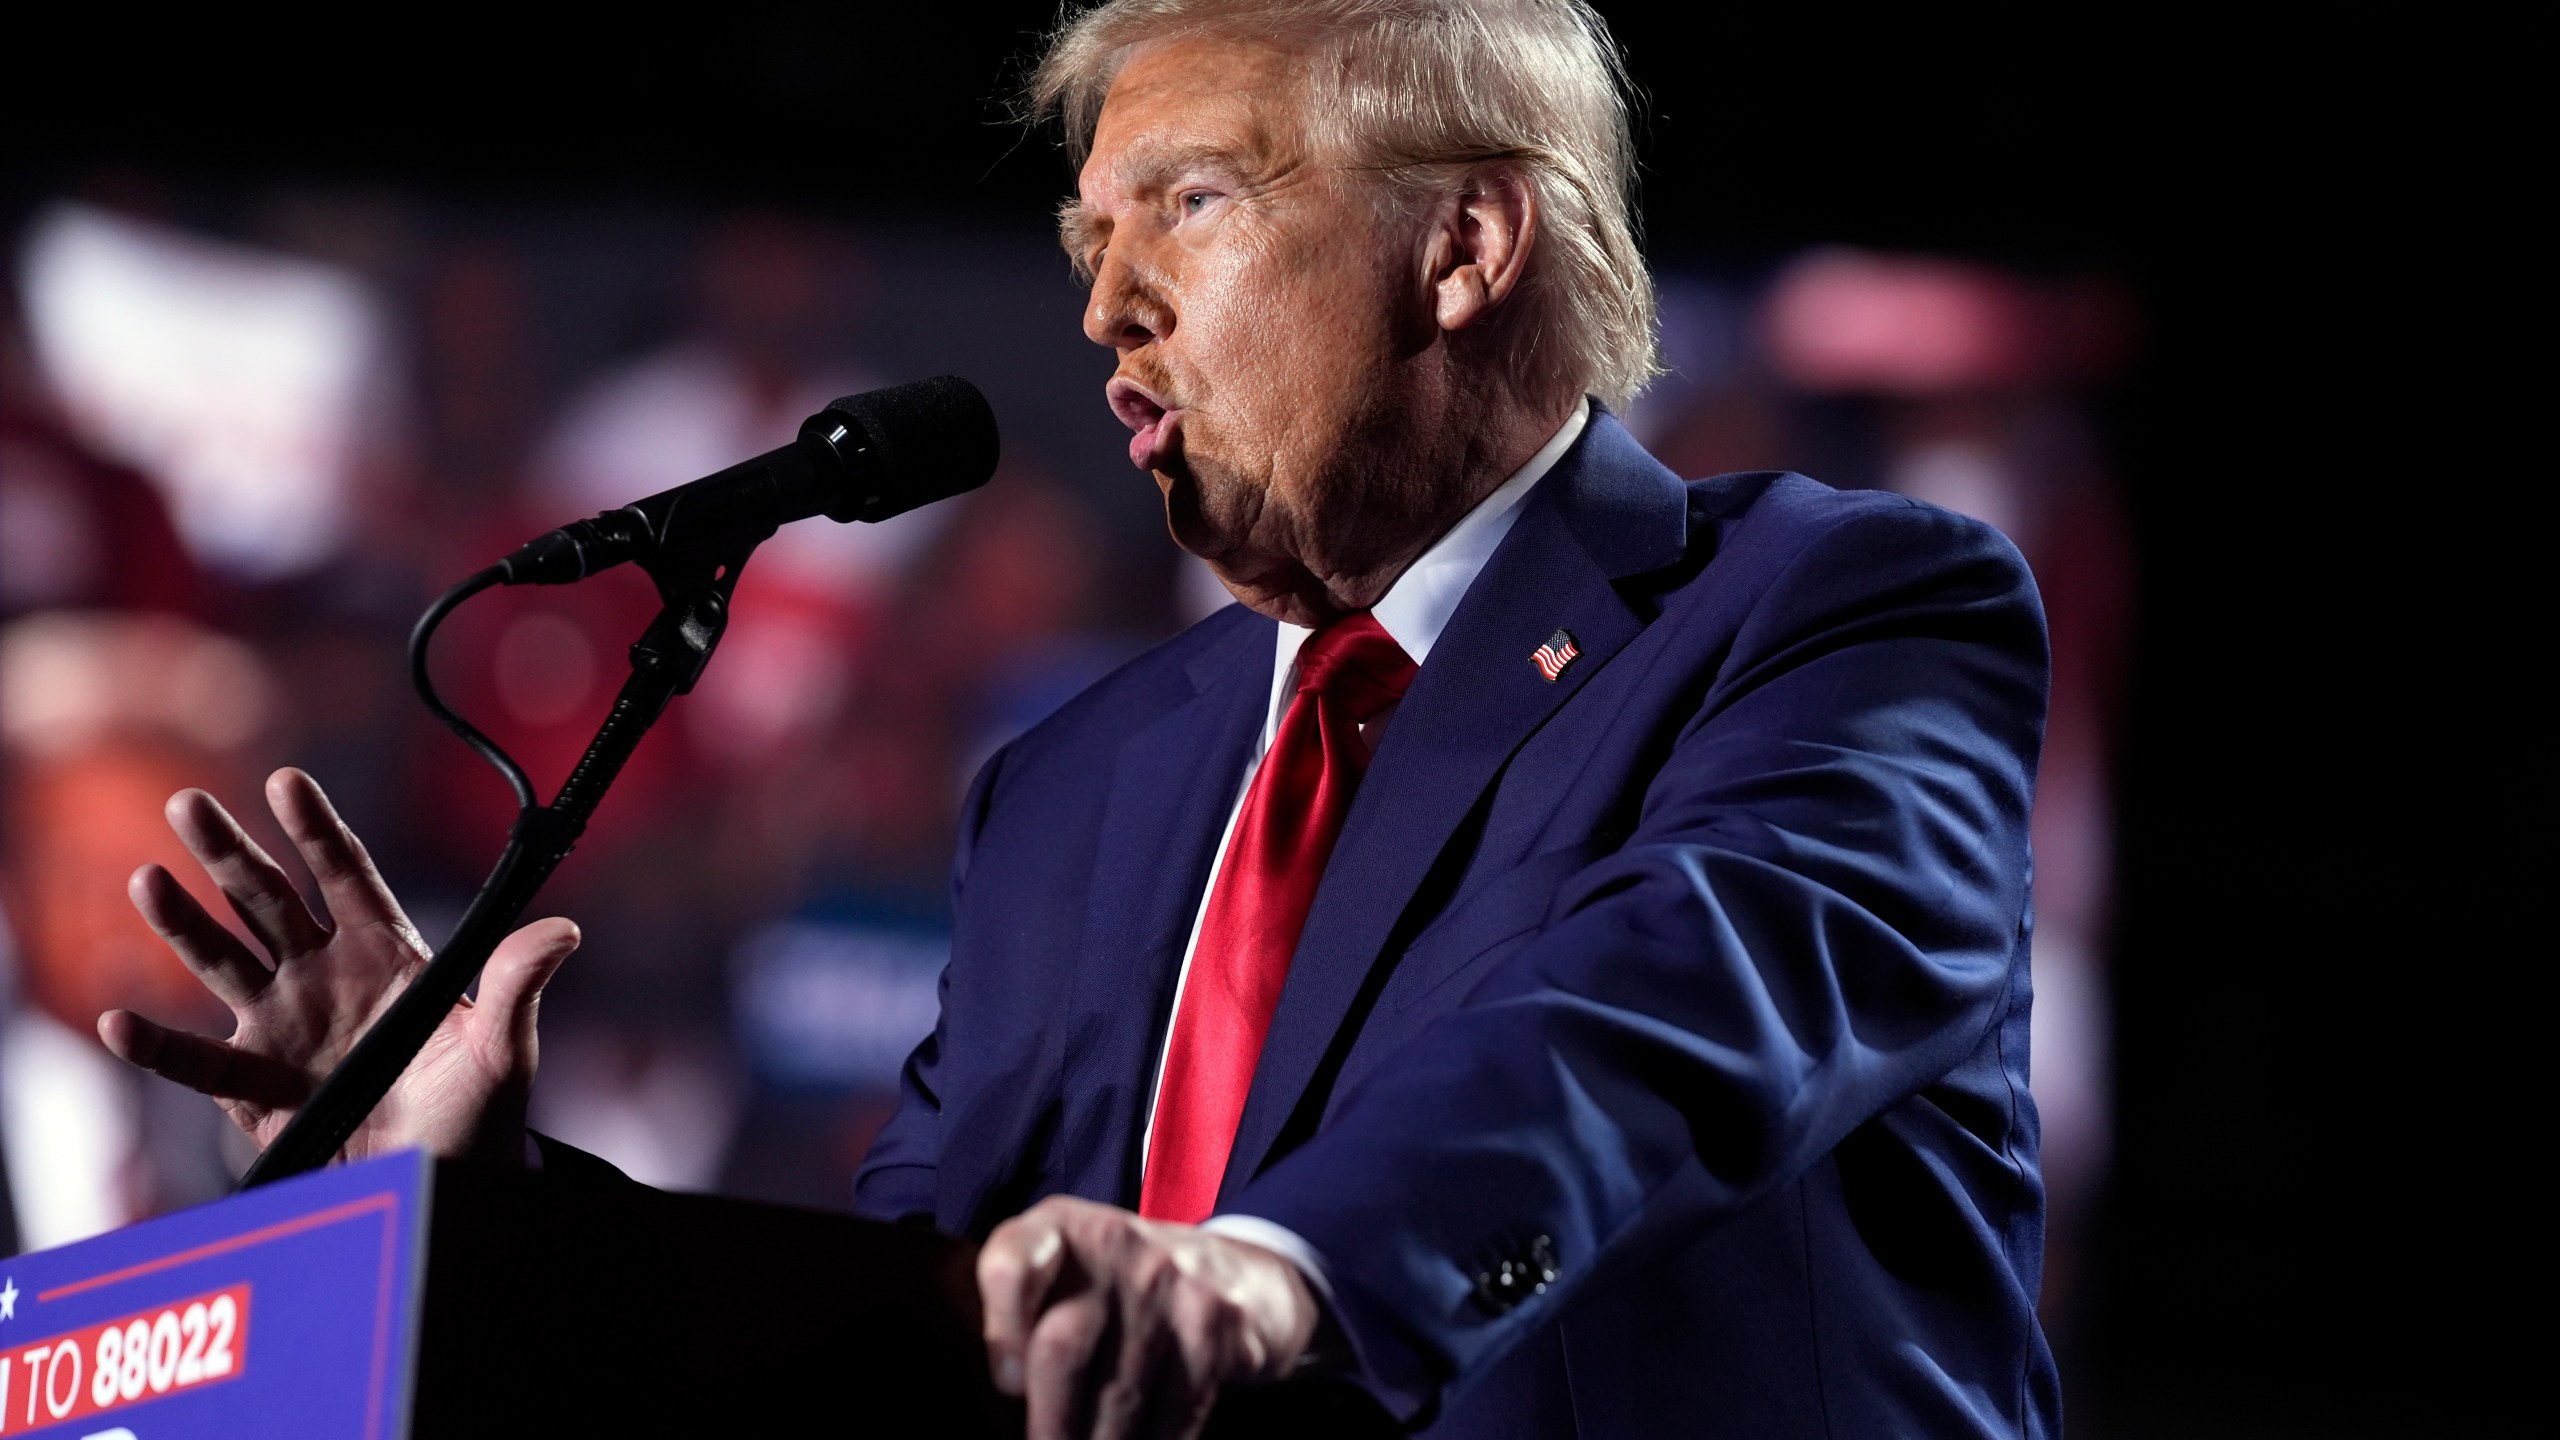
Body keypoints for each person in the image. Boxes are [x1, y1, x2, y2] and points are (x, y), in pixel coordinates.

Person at [98, 2, 2060, 1435]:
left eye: (1186, 209)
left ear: (1465, 243)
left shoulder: (1829, 609)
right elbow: (895, 1324)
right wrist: (488, 1210)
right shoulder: (1073, 786)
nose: (1108, 306)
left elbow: (1662, 1022)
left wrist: (1272, 1274)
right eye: (1084, 251)